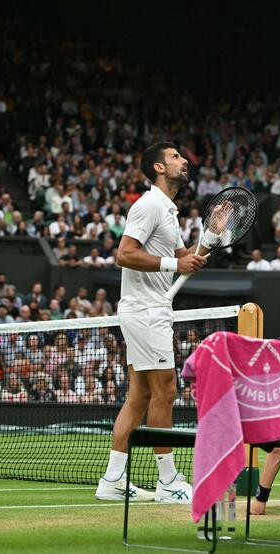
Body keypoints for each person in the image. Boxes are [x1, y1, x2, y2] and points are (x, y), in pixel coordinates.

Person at [95, 142, 212, 503]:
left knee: (140, 396)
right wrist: (176, 264)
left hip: (149, 310)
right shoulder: (148, 205)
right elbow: (124, 254)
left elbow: (184, 257)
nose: (184, 160)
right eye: (175, 157)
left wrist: (212, 237)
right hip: (146, 310)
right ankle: (168, 481)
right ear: (159, 168)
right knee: (165, 391)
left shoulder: (168, 211)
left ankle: (113, 480)